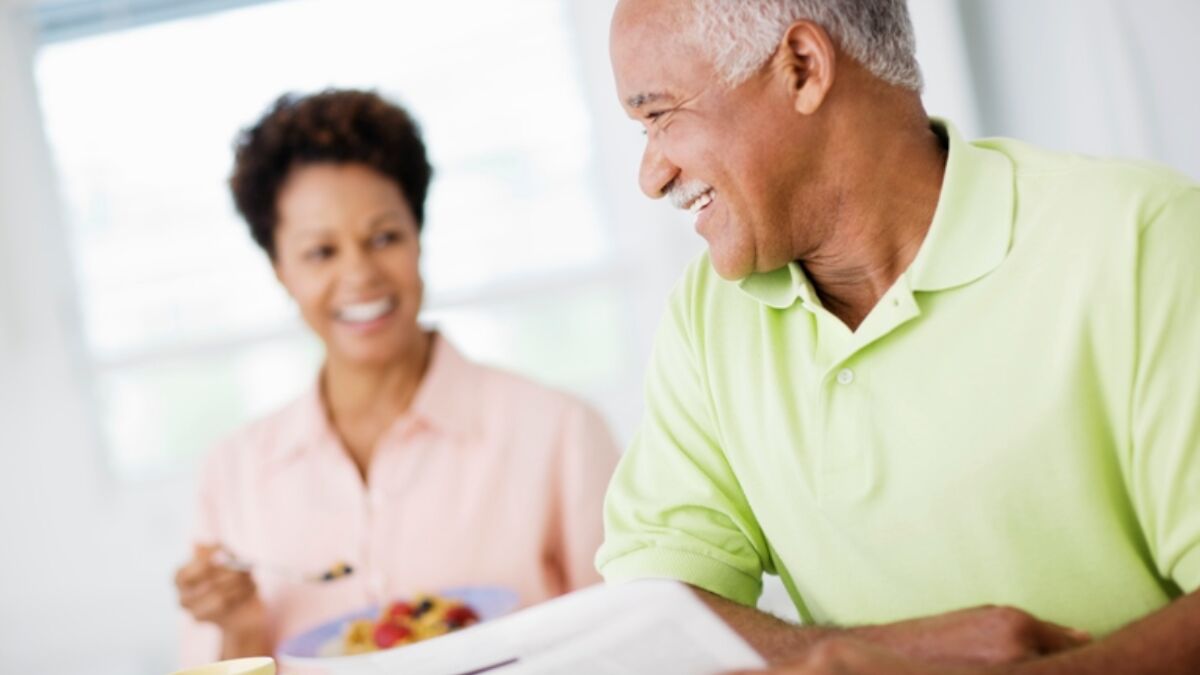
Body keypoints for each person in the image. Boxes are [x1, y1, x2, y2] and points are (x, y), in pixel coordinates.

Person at [596, 0, 1200, 673]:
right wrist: (885, 653)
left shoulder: (1140, 237)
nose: (651, 177)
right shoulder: (707, 316)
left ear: (803, 68)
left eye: (660, 117)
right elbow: (657, 614)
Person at [174, 89, 620, 665]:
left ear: (418, 236)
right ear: (280, 270)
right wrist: (239, 630)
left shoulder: (558, 432)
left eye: (384, 238)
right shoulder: (234, 474)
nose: (360, 274)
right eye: (321, 252)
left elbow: (630, 648)